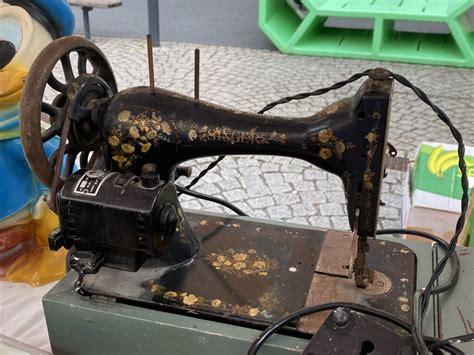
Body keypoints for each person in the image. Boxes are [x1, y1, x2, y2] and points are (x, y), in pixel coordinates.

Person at [0, 0, 75, 286]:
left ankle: (50, 256)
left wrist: (44, 202)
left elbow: (63, 166)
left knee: (56, 212)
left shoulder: (23, 144)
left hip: (25, 215)